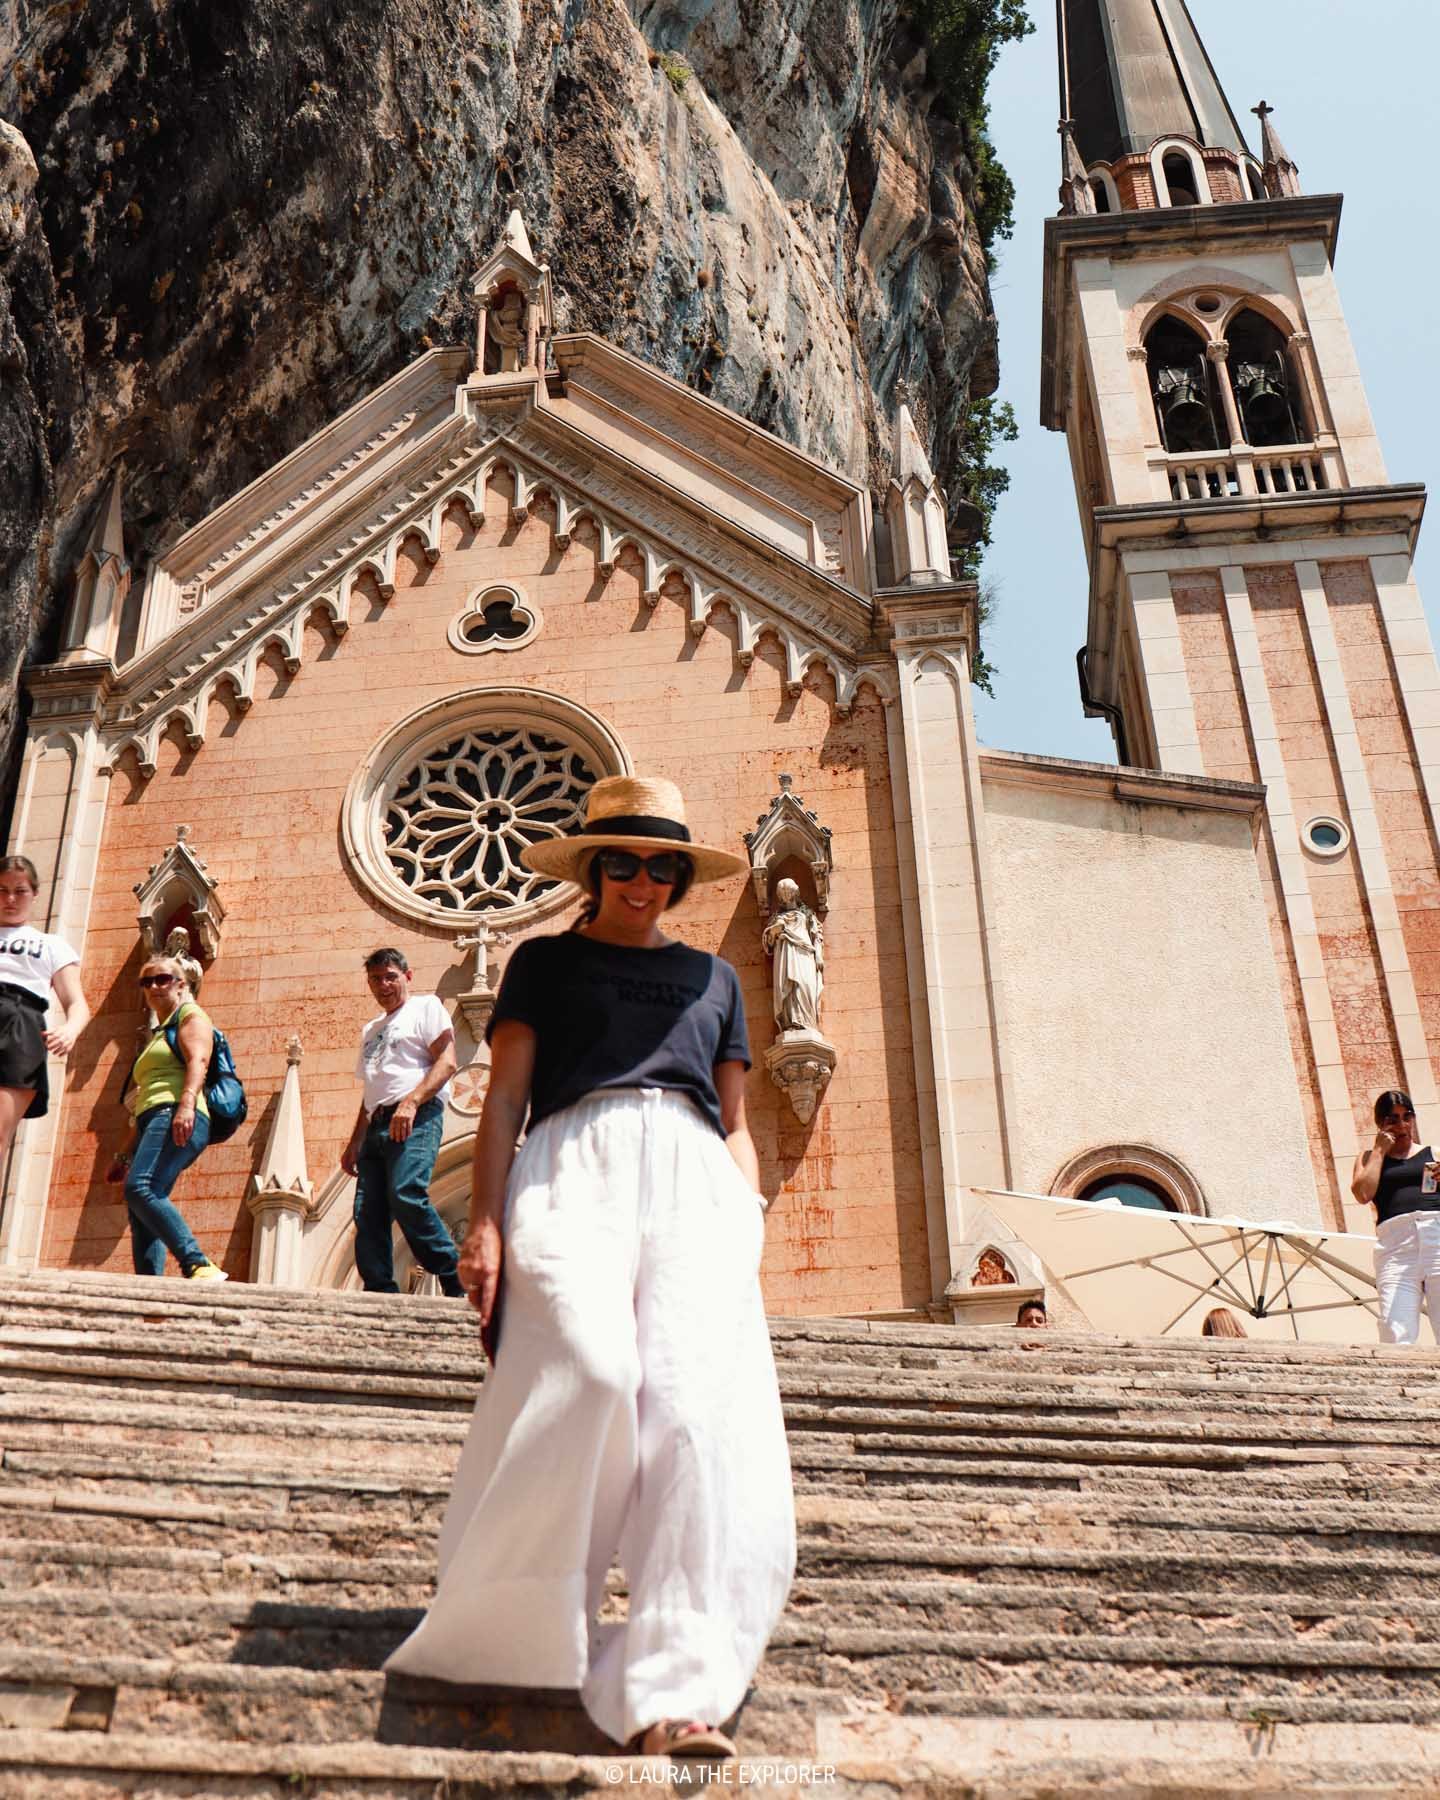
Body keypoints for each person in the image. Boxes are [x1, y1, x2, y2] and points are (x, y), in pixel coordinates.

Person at [385, 775, 796, 1762]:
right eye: (625, 862)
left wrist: (750, 1218)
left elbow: (735, 1124)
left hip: (700, 1183)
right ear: (593, 866)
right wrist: (482, 1224)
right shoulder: (544, 964)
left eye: (664, 866)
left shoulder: (716, 981)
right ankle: (516, 1626)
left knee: (694, 1418)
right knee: (592, 1369)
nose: (644, 881)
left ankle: (675, 1694)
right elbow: (506, 1103)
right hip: (573, 1163)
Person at [342, 949, 464, 1297]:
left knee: (406, 1193)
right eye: (376, 979)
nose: (383, 985)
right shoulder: (371, 1029)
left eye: (390, 976)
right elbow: (373, 1091)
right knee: (368, 1213)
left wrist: (411, 1103)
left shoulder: (425, 1008)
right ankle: (380, 1290)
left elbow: (447, 1062)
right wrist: (355, 1141)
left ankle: (456, 1276)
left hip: (415, 1116)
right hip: (377, 1124)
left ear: (407, 976)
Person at [121, 953, 226, 1279]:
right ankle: (151, 1291)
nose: (154, 986)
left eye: (163, 978)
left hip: (175, 1113)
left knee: (141, 1188)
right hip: (153, 1119)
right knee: (142, 1208)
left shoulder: (191, 1016)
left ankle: (196, 1262)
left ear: (181, 984)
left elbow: (199, 1061)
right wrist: (124, 1152)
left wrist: (186, 1104)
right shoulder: (162, 1029)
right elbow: (143, 1101)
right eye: (146, 981)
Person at [0, 855, 90, 1162]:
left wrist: (70, 1030)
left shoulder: (50, 945)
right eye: (2, 890)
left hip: (21, 1024)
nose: (10, 899)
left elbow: (77, 1002)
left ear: (35, 893)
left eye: (20, 890)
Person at [1352, 1088, 1440, 1345]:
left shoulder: (1434, 1152)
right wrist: (1379, 1151)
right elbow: (1362, 1193)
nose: (1402, 1125)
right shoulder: (1368, 1158)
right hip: (1396, 1244)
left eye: (1407, 1116)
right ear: (1380, 1124)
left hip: (1436, 1233)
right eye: (1392, 1119)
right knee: (1394, 1325)